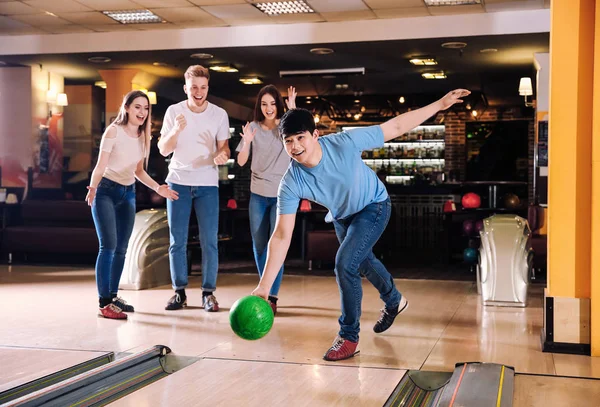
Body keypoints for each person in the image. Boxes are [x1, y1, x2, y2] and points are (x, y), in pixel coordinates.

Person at [252, 89, 471, 361]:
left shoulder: (344, 142)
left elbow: (396, 126)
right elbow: (282, 235)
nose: (295, 146)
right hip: (343, 217)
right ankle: (394, 301)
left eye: (300, 138)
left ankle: (348, 336)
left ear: (315, 135)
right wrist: (264, 287)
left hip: (374, 205)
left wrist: (440, 103)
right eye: (288, 141)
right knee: (362, 260)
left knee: (345, 263)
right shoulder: (290, 182)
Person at [86, 90, 179, 320]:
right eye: (137, 107)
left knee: (121, 249)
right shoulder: (113, 131)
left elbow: (138, 171)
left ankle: (113, 296)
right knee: (107, 246)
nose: (142, 112)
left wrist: (159, 188)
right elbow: (101, 165)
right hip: (105, 191)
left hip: (128, 193)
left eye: (145, 108)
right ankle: (103, 303)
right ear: (126, 108)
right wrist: (93, 187)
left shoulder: (143, 136)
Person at [158, 65, 231, 312]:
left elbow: (225, 148)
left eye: (203, 87)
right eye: (193, 88)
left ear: (207, 87)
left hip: (207, 183)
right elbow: (163, 149)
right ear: (185, 88)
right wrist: (177, 129)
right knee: (176, 241)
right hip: (178, 181)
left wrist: (222, 155)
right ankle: (179, 293)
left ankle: (208, 293)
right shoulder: (173, 112)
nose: (198, 92)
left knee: (209, 241)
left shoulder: (219, 114)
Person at [236, 84, 296, 315]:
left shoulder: (286, 126)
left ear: (278, 104)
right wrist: (248, 142)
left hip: (282, 195)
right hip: (258, 195)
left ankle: (271, 295)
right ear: (259, 106)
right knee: (260, 245)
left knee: (276, 246)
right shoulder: (252, 128)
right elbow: (241, 162)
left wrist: (293, 112)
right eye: (264, 104)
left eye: (272, 103)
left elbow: (303, 142)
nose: (269, 108)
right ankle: (265, 288)